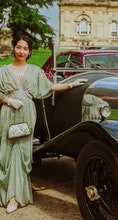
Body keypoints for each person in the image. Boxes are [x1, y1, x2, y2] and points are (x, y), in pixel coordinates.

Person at [0, 35, 86, 214]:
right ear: (14, 48)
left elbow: (50, 87)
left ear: (30, 52)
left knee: (21, 154)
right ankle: (7, 192)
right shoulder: (2, 70)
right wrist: (8, 101)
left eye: (25, 48)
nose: (21, 51)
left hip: (27, 113)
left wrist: (71, 85)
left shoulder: (34, 70)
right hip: (8, 112)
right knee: (6, 153)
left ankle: (14, 198)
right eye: (18, 47)